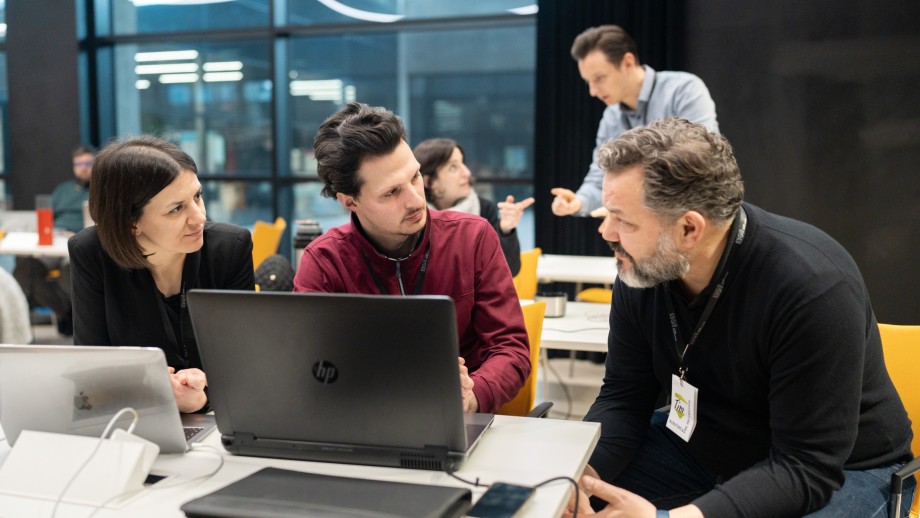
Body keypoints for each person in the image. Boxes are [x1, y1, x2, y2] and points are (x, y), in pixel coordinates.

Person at [565, 117, 913, 517]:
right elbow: (625, 396)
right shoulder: (643, 268)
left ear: (689, 229)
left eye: (623, 220)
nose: (606, 232)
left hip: (843, 470)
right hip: (703, 448)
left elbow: (806, 466)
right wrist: (581, 476)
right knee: (559, 500)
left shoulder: (811, 287)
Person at [293, 103, 530, 414]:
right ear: (350, 202)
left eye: (415, 176)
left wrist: (473, 394)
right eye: (392, 192)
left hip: (460, 420)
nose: (416, 200)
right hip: (363, 419)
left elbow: (510, 348)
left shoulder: (472, 237)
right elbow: (312, 369)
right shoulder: (325, 262)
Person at [69, 136, 255, 413]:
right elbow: (89, 372)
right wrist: (153, 393)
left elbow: (246, 366)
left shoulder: (230, 249)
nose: (199, 217)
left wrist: (203, 399)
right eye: (176, 209)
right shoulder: (91, 252)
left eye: (197, 196)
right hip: (130, 419)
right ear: (131, 222)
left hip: (216, 421)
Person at [551, 25, 719, 219]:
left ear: (628, 62)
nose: (593, 91)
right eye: (589, 82)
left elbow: (698, 158)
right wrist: (578, 202)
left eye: (599, 78)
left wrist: (631, 203)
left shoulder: (683, 90)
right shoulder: (611, 117)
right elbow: (601, 177)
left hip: (695, 215)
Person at [413, 137, 534, 276]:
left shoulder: (484, 209)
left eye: (463, 163)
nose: (467, 173)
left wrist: (506, 231)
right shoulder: (415, 216)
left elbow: (508, 271)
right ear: (429, 182)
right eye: (453, 167)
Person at [13, 145, 96, 335]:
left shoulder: (102, 189)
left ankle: (81, 318)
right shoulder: (63, 189)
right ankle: (64, 312)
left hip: (81, 243)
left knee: (70, 270)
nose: (83, 168)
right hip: (54, 241)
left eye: (88, 163)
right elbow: (47, 216)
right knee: (25, 271)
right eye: (79, 164)